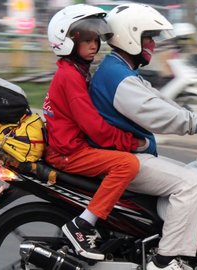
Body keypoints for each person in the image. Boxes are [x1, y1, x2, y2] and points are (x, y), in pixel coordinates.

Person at [90, 3, 197, 270]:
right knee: (192, 184)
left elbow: (160, 101)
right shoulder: (117, 76)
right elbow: (156, 114)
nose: (153, 45)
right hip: (126, 160)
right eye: (149, 37)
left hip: (129, 155)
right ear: (130, 35)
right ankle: (166, 260)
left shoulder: (120, 70)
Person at [44, 4, 147, 260]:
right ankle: (82, 225)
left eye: (96, 40)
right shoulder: (70, 77)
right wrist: (131, 143)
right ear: (67, 42)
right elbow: (95, 129)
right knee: (126, 165)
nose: (94, 45)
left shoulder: (76, 71)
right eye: (87, 40)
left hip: (70, 146)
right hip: (69, 152)